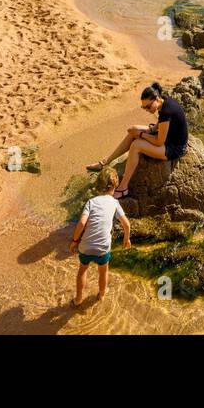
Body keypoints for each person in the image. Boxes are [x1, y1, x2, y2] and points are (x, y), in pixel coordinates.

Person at [86, 81, 189, 199]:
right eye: (143, 107)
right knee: (132, 130)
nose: (146, 109)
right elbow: (162, 124)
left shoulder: (166, 112)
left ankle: (123, 187)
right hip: (167, 136)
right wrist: (151, 129)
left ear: (156, 99)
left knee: (136, 145)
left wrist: (140, 134)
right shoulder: (163, 100)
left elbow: (159, 142)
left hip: (175, 148)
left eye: (148, 106)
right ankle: (105, 162)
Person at [67, 167, 131, 307]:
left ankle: (78, 299)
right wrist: (126, 239)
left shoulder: (92, 202)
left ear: (99, 184)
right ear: (115, 186)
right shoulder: (115, 203)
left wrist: (74, 241)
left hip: (86, 247)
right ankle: (101, 294)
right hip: (103, 248)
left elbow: (82, 223)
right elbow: (126, 224)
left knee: (82, 270)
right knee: (103, 272)